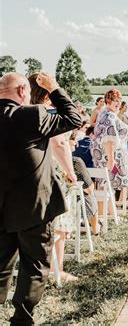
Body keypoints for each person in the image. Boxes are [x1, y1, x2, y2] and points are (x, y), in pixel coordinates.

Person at [0, 72, 81, 324]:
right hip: (34, 208)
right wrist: (54, 88)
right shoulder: (32, 115)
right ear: (23, 90)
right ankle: (22, 320)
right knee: (34, 268)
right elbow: (74, 118)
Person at [29, 75, 80, 282]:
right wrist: (71, 172)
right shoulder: (50, 112)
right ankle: (56, 269)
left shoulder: (25, 112)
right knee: (60, 220)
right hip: (55, 171)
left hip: (34, 172)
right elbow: (60, 144)